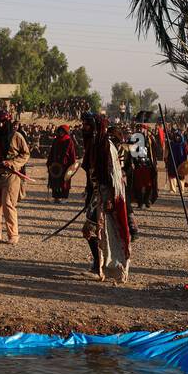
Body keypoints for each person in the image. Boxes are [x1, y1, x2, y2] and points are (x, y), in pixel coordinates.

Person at [80, 113, 131, 281]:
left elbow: (113, 176)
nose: (84, 128)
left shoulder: (106, 146)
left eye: (87, 125)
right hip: (96, 194)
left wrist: (109, 198)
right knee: (93, 231)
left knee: (101, 232)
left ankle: (104, 268)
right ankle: (99, 266)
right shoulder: (93, 144)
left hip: (106, 196)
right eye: (84, 124)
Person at [0, 109, 29, 243]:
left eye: (2, 122)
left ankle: (13, 235)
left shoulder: (16, 136)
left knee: (8, 204)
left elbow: (25, 154)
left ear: (7, 121)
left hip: (10, 175)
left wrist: (12, 162)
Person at [46, 123, 79, 203]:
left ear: (65, 132)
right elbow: (52, 152)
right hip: (55, 165)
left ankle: (64, 197)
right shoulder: (56, 140)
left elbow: (72, 154)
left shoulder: (69, 141)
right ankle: (56, 197)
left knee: (64, 181)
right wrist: (49, 162)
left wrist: (72, 165)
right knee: (55, 181)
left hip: (65, 165)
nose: (61, 132)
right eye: (60, 131)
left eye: (63, 131)